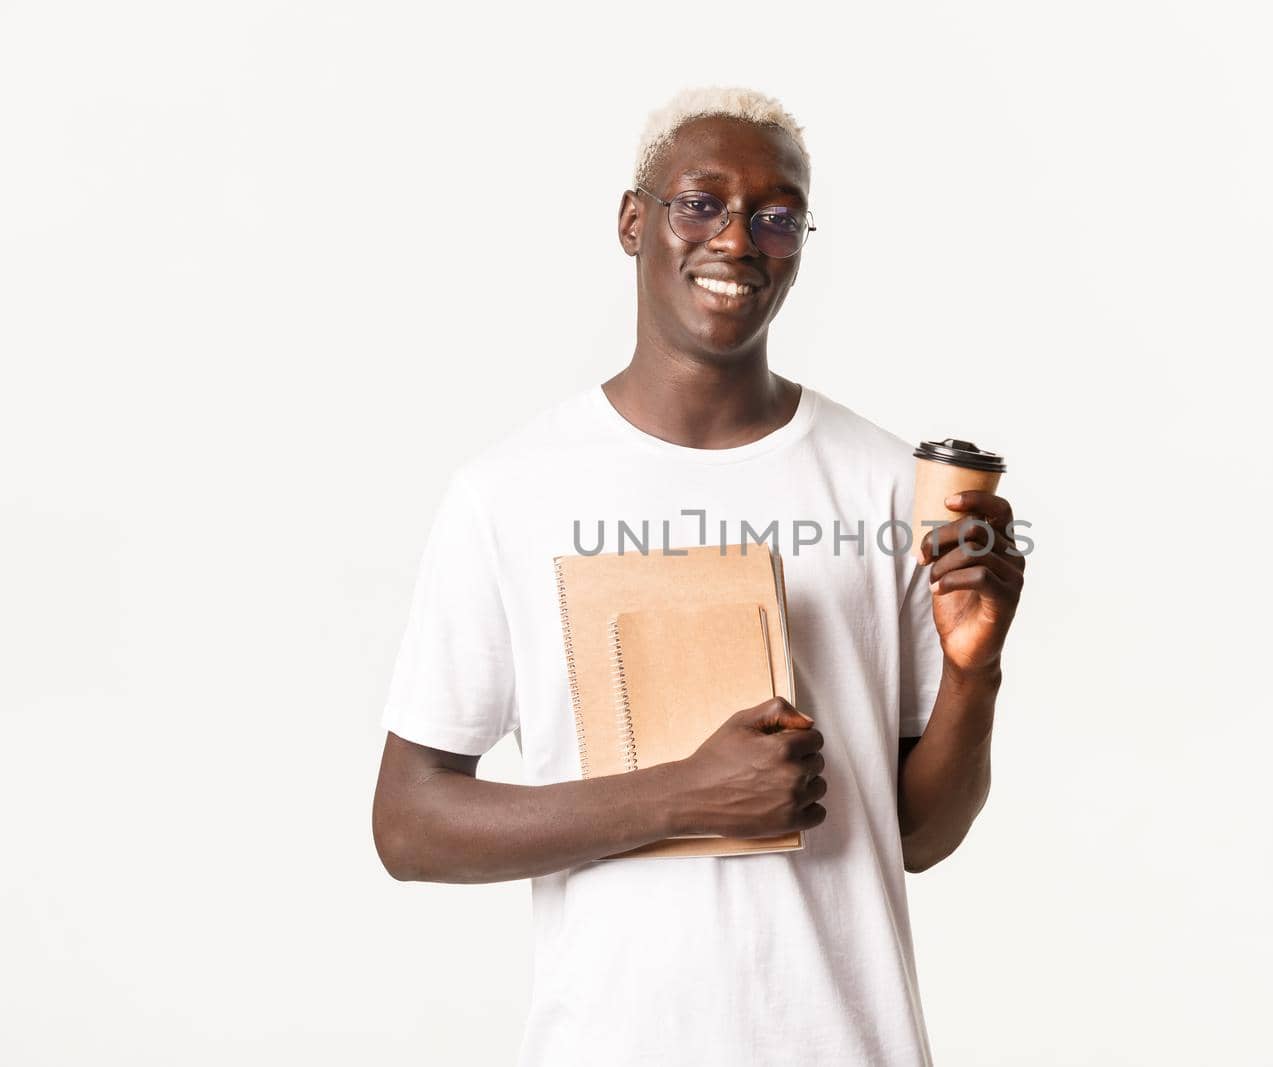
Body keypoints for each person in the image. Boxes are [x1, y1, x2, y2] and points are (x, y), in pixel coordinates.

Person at [371, 85, 1027, 1066]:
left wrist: (975, 673)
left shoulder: (887, 483)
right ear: (634, 221)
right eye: (700, 202)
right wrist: (683, 794)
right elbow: (409, 822)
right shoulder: (507, 492)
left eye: (775, 215)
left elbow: (920, 835)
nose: (736, 238)